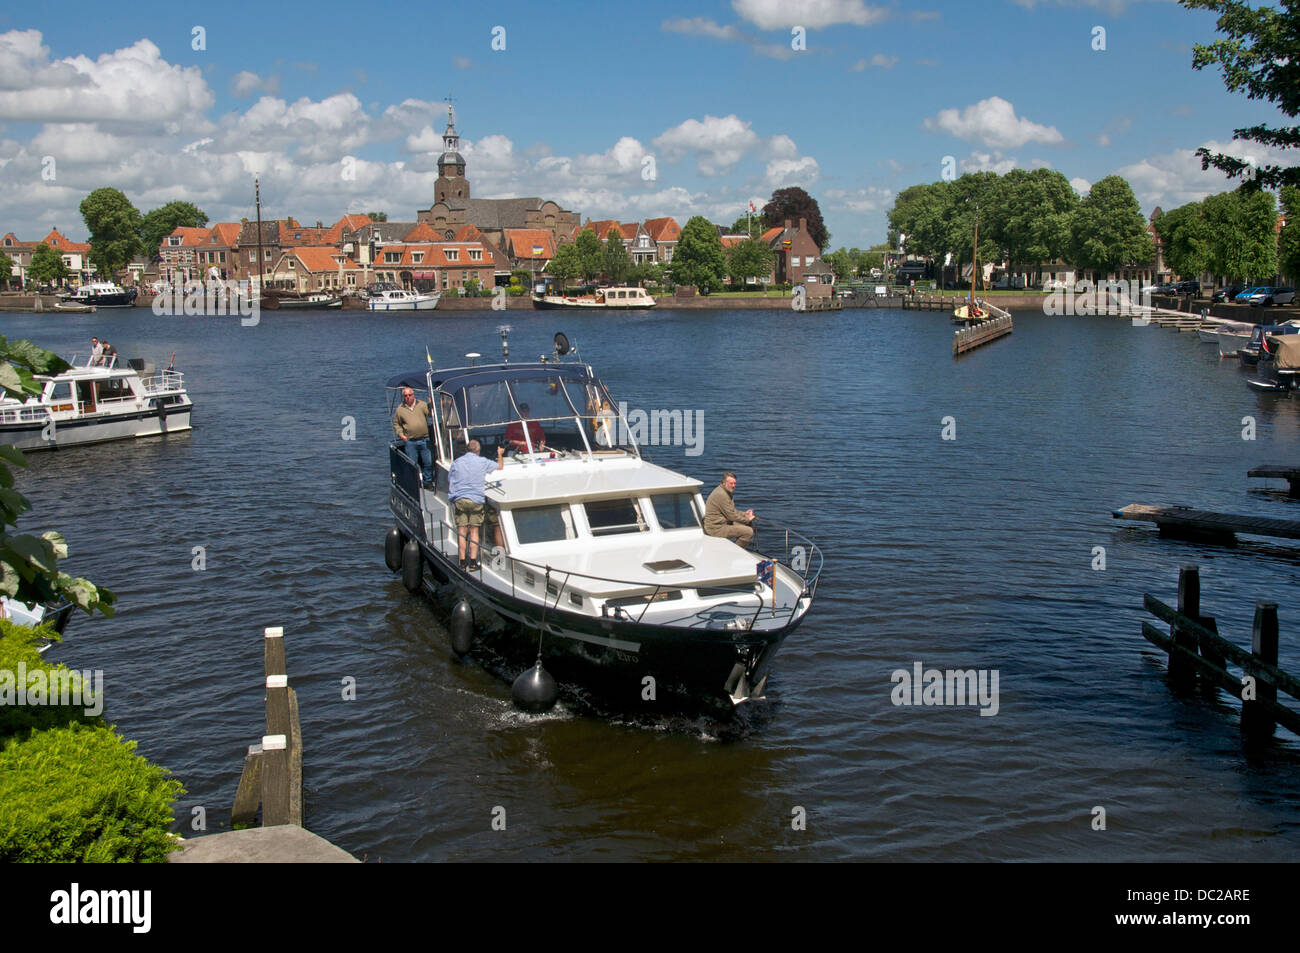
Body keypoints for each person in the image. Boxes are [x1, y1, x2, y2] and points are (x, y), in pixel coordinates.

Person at [448, 440, 505, 570]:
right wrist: (500, 454)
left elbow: (450, 479)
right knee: (474, 530)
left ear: (467, 450)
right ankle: (473, 562)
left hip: (461, 499)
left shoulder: (457, 463)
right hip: (476, 500)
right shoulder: (483, 461)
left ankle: (462, 562)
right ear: (478, 451)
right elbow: (500, 466)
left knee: (462, 531)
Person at [392, 386, 434, 486]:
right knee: (412, 464)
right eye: (405, 396)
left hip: (424, 439)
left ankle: (427, 482)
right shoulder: (400, 409)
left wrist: (430, 405)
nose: (408, 397)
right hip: (410, 441)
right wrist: (401, 435)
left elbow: (430, 415)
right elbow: (396, 424)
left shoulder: (422, 405)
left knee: (428, 462)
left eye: (410, 395)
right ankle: (415, 484)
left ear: (413, 395)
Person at [704, 471, 756, 549]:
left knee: (746, 525)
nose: (733, 486)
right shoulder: (721, 494)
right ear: (724, 483)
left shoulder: (725, 491)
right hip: (715, 528)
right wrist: (747, 519)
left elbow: (731, 511)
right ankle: (735, 552)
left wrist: (744, 514)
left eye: (735, 483)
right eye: (731, 483)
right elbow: (731, 516)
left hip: (721, 523)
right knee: (748, 532)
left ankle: (735, 547)